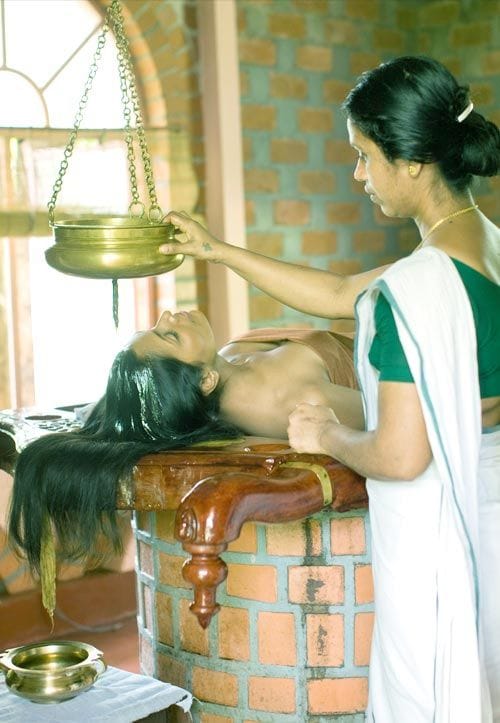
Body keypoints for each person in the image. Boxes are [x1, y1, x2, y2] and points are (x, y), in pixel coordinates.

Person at [158, 57, 500, 722]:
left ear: (412, 162)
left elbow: (401, 456)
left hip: (437, 550)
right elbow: (342, 293)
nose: (358, 175)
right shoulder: (481, 245)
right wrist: (216, 250)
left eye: (364, 156)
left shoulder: (416, 292)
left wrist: (326, 434)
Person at [8, 313, 362, 577]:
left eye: (157, 328)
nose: (166, 316)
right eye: (170, 335)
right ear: (205, 381)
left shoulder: (223, 368)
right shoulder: (289, 402)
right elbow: (391, 420)